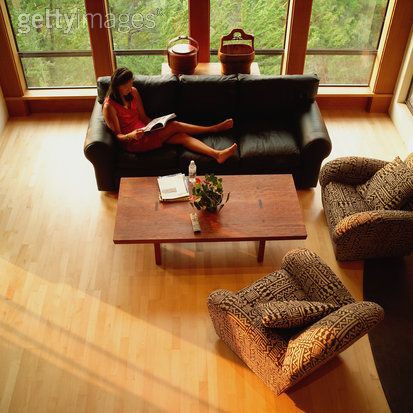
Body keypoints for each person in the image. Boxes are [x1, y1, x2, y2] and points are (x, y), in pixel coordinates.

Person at [102, 68, 237, 163]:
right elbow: (118, 136)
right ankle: (214, 128)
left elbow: (143, 118)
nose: (129, 87)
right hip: (134, 142)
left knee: (182, 137)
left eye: (131, 83)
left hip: (145, 131)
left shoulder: (133, 92)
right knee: (175, 125)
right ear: (117, 86)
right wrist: (131, 135)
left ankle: (217, 155)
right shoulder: (109, 107)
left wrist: (156, 125)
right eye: (126, 85)